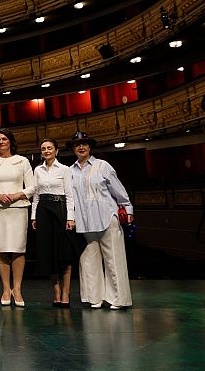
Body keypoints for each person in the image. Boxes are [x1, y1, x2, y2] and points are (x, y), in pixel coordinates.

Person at [67, 131, 133, 310]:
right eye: (77, 144)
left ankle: (118, 298)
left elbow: (119, 190)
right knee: (89, 260)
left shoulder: (103, 166)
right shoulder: (70, 171)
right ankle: (94, 297)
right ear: (73, 149)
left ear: (89, 147)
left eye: (84, 144)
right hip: (84, 222)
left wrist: (128, 209)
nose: (81, 147)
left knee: (113, 259)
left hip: (106, 217)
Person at [0, 128, 36, 307]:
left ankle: (17, 289)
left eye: (4, 139)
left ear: (10, 141)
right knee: (2, 248)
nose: (1, 142)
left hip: (18, 208)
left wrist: (16, 195)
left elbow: (32, 187)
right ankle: (6, 288)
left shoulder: (22, 161)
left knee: (18, 248)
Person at [31, 138, 80, 308]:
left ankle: (66, 292)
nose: (46, 151)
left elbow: (69, 194)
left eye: (50, 148)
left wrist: (70, 217)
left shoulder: (65, 170)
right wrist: (33, 217)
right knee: (48, 254)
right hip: (43, 211)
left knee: (64, 254)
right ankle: (56, 291)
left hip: (60, 210)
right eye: (43, 148)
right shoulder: (37, 170)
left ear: (56, 151)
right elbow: (36, 195)